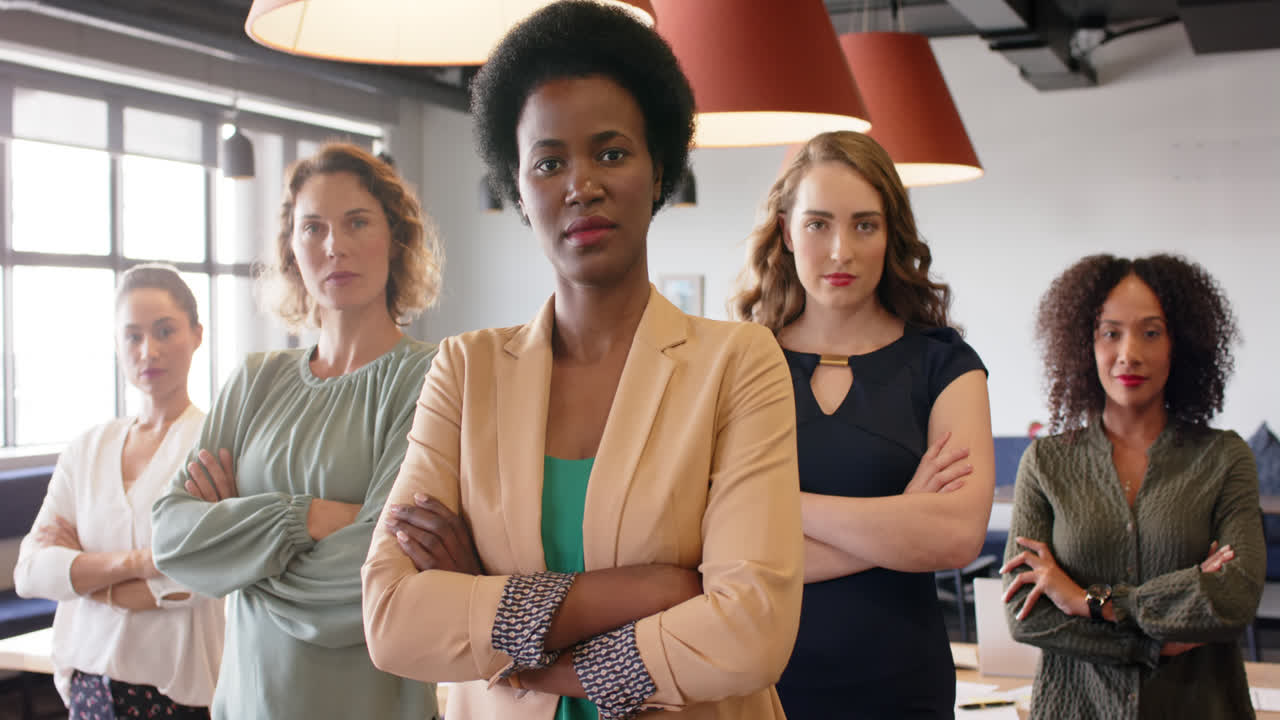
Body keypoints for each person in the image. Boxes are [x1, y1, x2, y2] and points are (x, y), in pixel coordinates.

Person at [360, 3, 803, 719]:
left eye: (612, 153)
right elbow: (391, 619)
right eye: (549, 163)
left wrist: (516, 641)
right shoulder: (465, 372)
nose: (581, 185)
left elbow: (752, 631)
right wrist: (647, 591)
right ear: (519, 189)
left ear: (659, 171)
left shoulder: (738, 364)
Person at [150, 143, 441, 720]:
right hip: (245, 705)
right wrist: (304, 519)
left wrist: (241, 558)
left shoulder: (433, 378)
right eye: (313, 228)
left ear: (396, 238)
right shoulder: (254, 380)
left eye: (357, 222)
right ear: (292, 251)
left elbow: (380, 580)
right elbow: (171, 538)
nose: (334, 246)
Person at [730, 130, 996, 717]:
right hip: (760, 685)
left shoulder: (945, 365)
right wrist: (902, 521)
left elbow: (955, 536)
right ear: (786, 232)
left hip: (902, 687)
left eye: (864, 225)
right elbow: (721, 553)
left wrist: (778, 504)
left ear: (890, 232)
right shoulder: (739, 363)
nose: (840, 251)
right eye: (818, 224)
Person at [1001, 253, 1263, 719]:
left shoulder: (1224, 457)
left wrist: (1088, 602)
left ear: (1180, 343)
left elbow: (1235, 598)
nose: (1129, 354)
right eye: (1111, 333)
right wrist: (1153, 644)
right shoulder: (1045, 462)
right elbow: (1026, 614)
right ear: (1084, 343)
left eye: (1151, 332)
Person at [14, 264, 223, 717]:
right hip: (89, 684)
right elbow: (31, 573)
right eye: (132, 336)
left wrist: (85, 578)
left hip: (179, 692)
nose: (148, 351)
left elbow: (206, 574)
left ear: (197, 334)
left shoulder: (215, 445)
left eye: (165, 331)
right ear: (116, 344)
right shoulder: (87, 448)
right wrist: (143, 563)